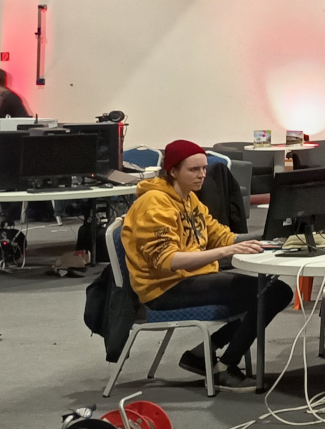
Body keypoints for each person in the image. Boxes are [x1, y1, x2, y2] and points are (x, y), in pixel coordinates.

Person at [120, 139, 290, 389]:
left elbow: (221, 235)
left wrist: (269, 237)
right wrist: (225, 251)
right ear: (173, 171)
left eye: (203, 168)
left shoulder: (189, 198)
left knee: (270, 293)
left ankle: (201, 354)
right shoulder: (154, 203)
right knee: (271, 294)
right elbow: (168, 260)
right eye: (194, 169)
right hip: (164, 289)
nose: (202, 175)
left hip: (191, 278)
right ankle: (225, 367)